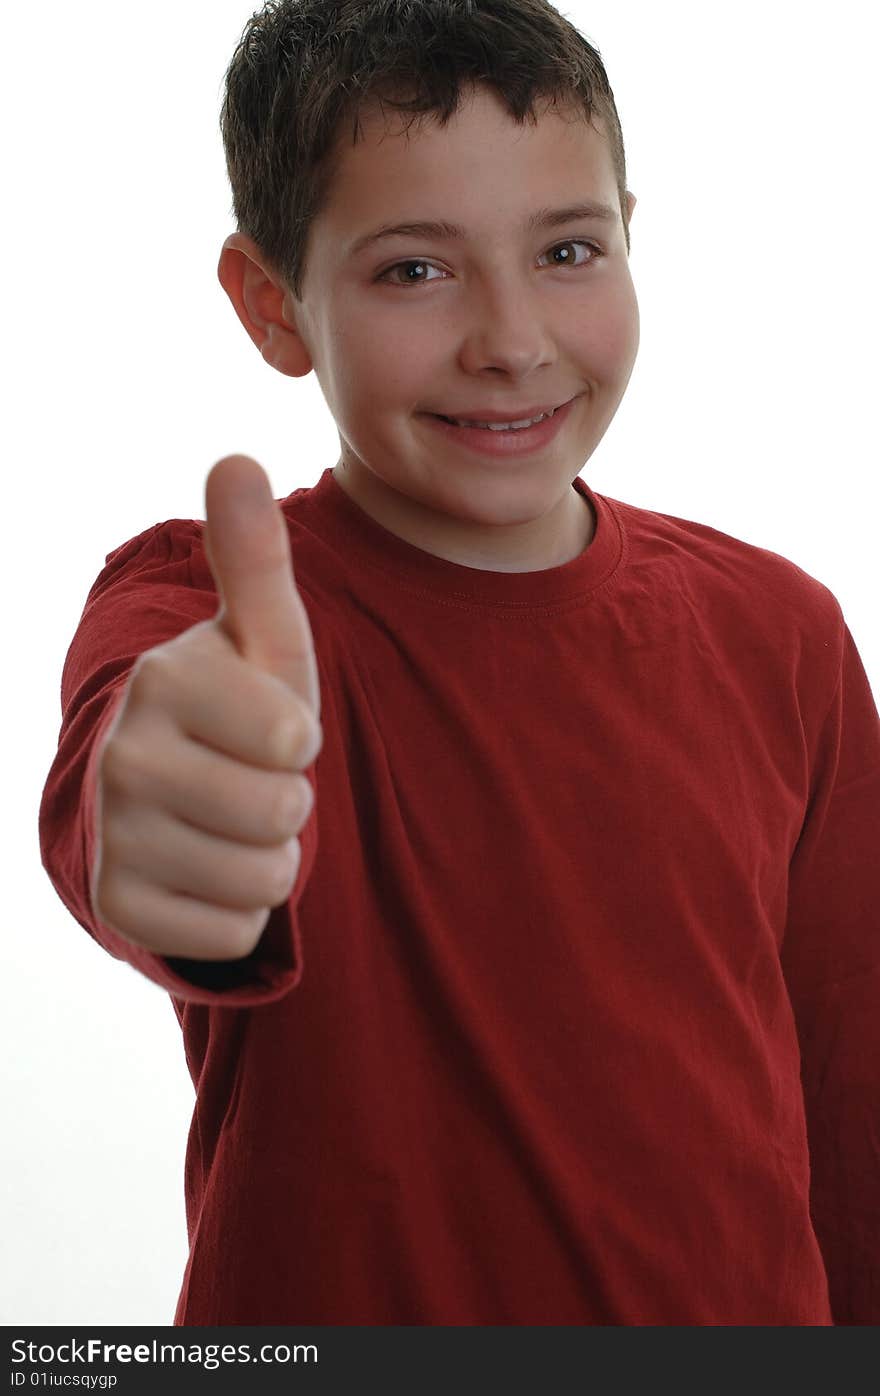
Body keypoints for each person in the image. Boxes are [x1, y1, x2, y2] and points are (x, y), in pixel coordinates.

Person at [38, 0, 879, 1326]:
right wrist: (164, 837)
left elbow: (851, 1086)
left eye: (566, 249)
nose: (512, 339)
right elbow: (127, 793)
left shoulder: (782, 631)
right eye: (413, 271)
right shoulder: (200, 608)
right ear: (273, 305)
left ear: (630, 237)